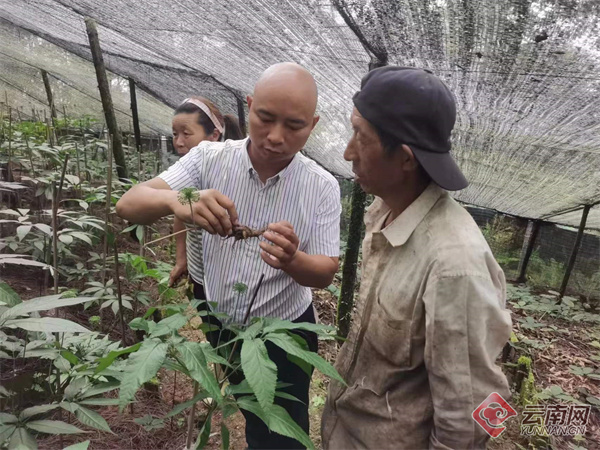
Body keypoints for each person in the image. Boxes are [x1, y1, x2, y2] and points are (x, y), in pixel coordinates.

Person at [116, 62, 341, 449]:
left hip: (284, 329)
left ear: (313, 124)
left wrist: (292, 260)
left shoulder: (321, 186)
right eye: (265, 118)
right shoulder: (209, 159)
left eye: (294, 126)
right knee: (249, 406)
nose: (275, 137)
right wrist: (178, 200)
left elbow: (324, 272)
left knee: (283, 426)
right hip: (221, 320)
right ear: (249, 106)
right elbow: (128, 204)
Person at [321, 67, 512, 449]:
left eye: (361, 136)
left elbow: (478, 415)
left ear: (407, 159)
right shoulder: (384, 210)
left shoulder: (455, 266)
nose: (347, 152)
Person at [168, 96, 243, 300]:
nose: (179, 142)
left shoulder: (235, 172)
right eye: (175, 134)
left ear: (214, 135)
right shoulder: (186, 173)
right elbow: (179, 212)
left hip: (234, 277)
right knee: (210, 325)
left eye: (186, 134)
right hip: (199, 272)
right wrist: (181, 260)